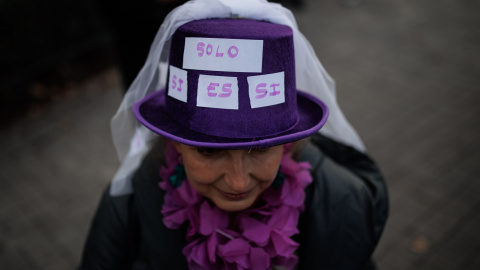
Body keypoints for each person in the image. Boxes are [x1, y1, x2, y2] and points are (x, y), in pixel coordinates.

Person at [79, 0, 388, 269]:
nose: (238, 182)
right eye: (209, 151)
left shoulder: (340, 205)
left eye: (261, 148)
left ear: (288, 140)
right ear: (174, 140)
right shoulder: (126, 208)